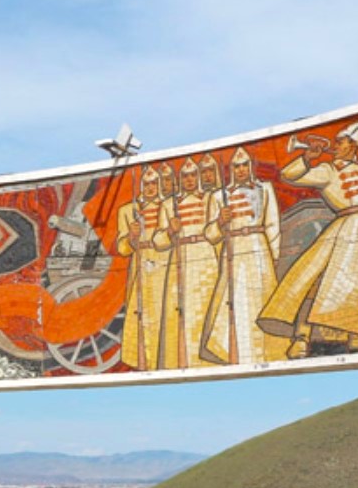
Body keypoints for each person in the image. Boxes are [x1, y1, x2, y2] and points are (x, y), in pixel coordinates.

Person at [259, 122, 358, 356]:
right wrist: (308, 158)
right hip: (345, 226)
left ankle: (357, 335)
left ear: (353, 145)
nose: (335, 146)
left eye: (340, 142)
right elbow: (290, 176)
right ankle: (301, 337)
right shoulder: (329, 170)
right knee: (313, 280)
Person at [201, 148, 285, 365]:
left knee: (262, 299)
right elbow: (210, 235)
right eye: (236, 166)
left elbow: (272, 224)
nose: (240, 170)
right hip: (234, 248)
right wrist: (220, 221)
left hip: (259, 248)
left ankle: (268, 352)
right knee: (234, 302)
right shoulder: (219, 196)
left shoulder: (265, 189)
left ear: (251, 167)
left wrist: (274, 254)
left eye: (244, 165)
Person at [153, 159, 219, 368]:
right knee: (178, 312)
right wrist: (170, 231)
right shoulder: (168, 205)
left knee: (206, 308)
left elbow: (215, 235)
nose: (189, 180)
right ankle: (178, 361)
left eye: (193, 175)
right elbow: (158, 241)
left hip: (205, 257)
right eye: (185, 176)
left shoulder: (210, 199)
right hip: (179, 256)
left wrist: (220, 224)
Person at [115, 166, 170, 370]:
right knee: (140, 313)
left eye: (154, 183)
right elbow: (122, 248)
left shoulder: (168, 206)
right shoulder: (127, 211)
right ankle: (142, 360)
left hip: (165, 262)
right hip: (140, 262)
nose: (150, 188)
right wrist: (131, 236)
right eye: (146, 184)